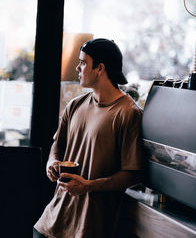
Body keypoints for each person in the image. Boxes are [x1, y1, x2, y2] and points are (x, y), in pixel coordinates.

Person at [33, 38, 143, 238]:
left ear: (100, 68)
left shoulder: (128, 113)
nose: (77, 67)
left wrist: (89, 186)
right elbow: (58, 144)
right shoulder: (74, 105)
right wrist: (52, 161)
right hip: (50, 223)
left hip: (88, 228)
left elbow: (132, 174)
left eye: (83, 62)